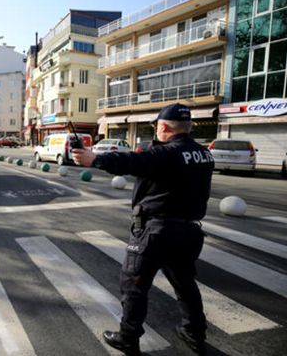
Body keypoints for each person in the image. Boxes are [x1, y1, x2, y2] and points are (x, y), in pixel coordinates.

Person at [72, 103, 214, 356]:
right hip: (189, 232)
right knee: (185, 284)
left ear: (162, 127)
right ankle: (194, 333)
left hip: (156, 231)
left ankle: (128, 338)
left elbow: (134, 161)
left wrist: (96, 158)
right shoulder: (203, 154)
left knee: (134, 285)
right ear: (189, 127)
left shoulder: (166, 154)